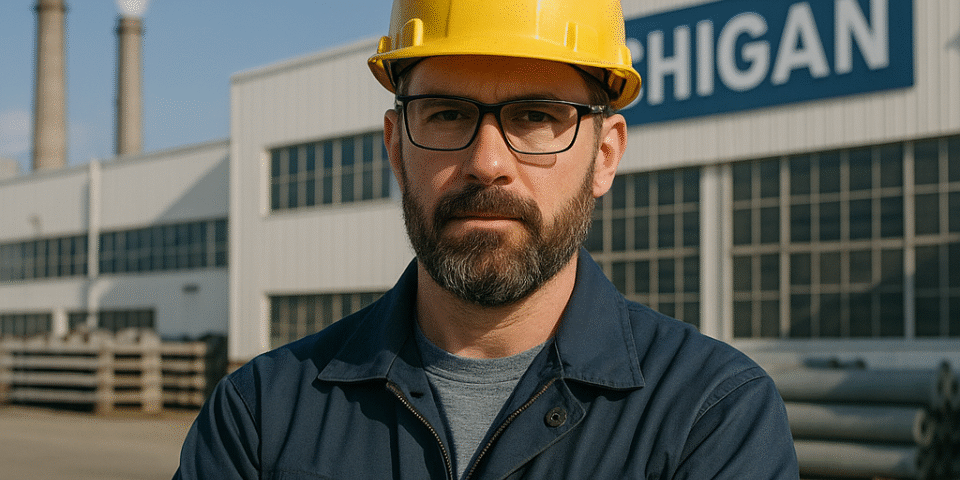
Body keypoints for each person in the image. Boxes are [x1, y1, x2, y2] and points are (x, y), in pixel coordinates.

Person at [175, 0, 799, 478]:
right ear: (396, 147)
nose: (487, 161)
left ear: (605, 156)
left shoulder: (709, 417)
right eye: (448, 113)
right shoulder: (262, 416)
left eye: (536, 117)